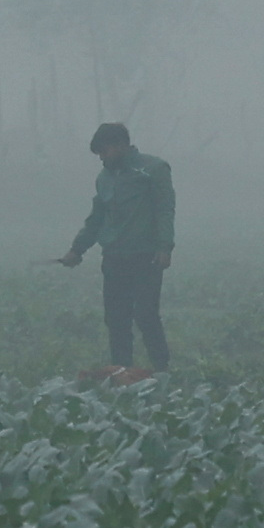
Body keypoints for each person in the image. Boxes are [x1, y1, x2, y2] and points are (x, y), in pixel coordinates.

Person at [62, 119, 174, 373]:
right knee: (116, 319)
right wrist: (77, 249)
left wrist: (165, 247)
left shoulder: (154, 169)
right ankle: (121, 371)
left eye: (105, 151)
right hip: (114, 258)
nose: (102, 158)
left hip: (146, 256)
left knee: (146, 315)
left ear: (122, 145)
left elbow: (165, 210)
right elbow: (96, 219)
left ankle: (162, 368)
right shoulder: (105, 178)